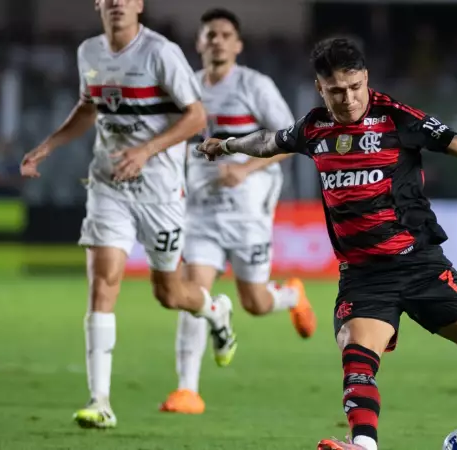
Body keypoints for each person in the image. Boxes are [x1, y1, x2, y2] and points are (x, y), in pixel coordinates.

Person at [198, 37, 457, 450]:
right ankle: (363, 444)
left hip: (419, 264)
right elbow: (269, 141)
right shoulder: (314, 128)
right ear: (319, 88)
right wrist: (226, 145)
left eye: (354, 88)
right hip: (364, 277)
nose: (347, 99)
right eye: (335, 92)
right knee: (357, 354)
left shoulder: (397, 119)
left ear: (365, 79)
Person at [19, 0, 234, 429]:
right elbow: (89, 106)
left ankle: (214, 311)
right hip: (108, 184)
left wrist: (146, 150)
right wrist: (49, 144)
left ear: (139, 5)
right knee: (103, 283)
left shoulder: (160, 52)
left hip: (159, 190)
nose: (117, 2)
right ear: (98, 3)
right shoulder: (89, 52)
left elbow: (196, 117)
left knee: (169, 293)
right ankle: (100, 401)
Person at [159, 8, 317, 415]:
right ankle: (187, 390)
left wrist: (245, 167)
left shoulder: (254, 85)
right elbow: (174, 142)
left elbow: (289, 139)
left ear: (238, 44)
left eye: (225, 34)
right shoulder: (186, 89)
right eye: (209, 34)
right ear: (199, 43)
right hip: (201, 210)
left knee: (255, 303)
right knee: (194, 290)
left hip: (248, 209)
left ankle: (290, 295)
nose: (217, 40)